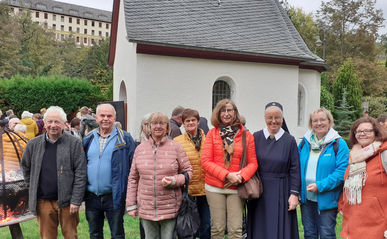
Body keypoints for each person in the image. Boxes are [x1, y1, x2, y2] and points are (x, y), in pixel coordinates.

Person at [21, 106, 86, 239]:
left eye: (57, 122)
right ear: (44, 123)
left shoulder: (74, 143)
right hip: (43, 202)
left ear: (63, 123)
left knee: (71, 236)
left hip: (68, 203)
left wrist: (76, 199)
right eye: (49, 121)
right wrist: (32, 187)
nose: (53, 125)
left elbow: (81, 172)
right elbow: (25, 167)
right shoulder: (33, 144)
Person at [126, 112, 193, 239]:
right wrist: (131, 205)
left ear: (167, 127)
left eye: (162, 123)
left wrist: (175, 180)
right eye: (154, 123)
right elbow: (133, 178)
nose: (158, 126)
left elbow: (188, 172)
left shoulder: (176, 147)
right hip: (146, 206)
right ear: (149, 127)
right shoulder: (140, 149)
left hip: (170, 207)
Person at [201, 99, 258, 239]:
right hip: (214, 187)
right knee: (217, 229)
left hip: (236, 188)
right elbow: (206, 161)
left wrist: (240, 176)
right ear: (218, 113)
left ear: (235, 113)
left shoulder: (246, 135)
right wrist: (227, 175)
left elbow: (253, 163)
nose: (226, 113)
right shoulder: (212, 134)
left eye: (229, 110)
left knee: (235, 230)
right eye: (223, 110)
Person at [247, 102, 300, 239]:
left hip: (282, 189)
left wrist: (294, 194)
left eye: (277, 117)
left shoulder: (289, 140)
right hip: (259, 190)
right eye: (269, 117)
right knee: (260, 226)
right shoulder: (256, 137)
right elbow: (249, 163)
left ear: (282, 119)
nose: (273, 121)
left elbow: (295, 169)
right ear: (265, 119)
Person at [83, 103, 136, 239]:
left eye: (109, 116)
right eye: (102, 115)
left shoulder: (125, 139)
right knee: (94, 234)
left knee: (117, 234)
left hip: (114, 195)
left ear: (114, 118)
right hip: (92, 196)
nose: (105, 119)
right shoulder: (88, 138)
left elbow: (133, 169)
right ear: (96, 117)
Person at [298, 108, 349, 239]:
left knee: (326, 234)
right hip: (306, 199)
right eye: (315, 120)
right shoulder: (305, 142)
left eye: (322, 120)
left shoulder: (338, 143)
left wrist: (320, 186)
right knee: (309, 234)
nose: (319, 123)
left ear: (329, 121)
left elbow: (341, 172)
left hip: (327, 198)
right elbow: (296, 165)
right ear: (311, 123)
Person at [338, 117, 387, 239]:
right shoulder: (354, 156)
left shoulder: (384, 153)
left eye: (368, 131)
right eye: (358, 131)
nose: (362, 134)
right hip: (353, 221)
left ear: (376, 132)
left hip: (378, 225)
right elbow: (346, 184)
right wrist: (342, 203)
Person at [174, 109, 211, 239]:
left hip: (205, 189)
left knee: (206, 225)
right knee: (188, 227)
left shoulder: (208, 139)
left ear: (198, 121)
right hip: (187, 191)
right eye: (187, 121)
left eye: (193, 120)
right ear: (183, 123)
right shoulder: (177, 141)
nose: (190, 123)